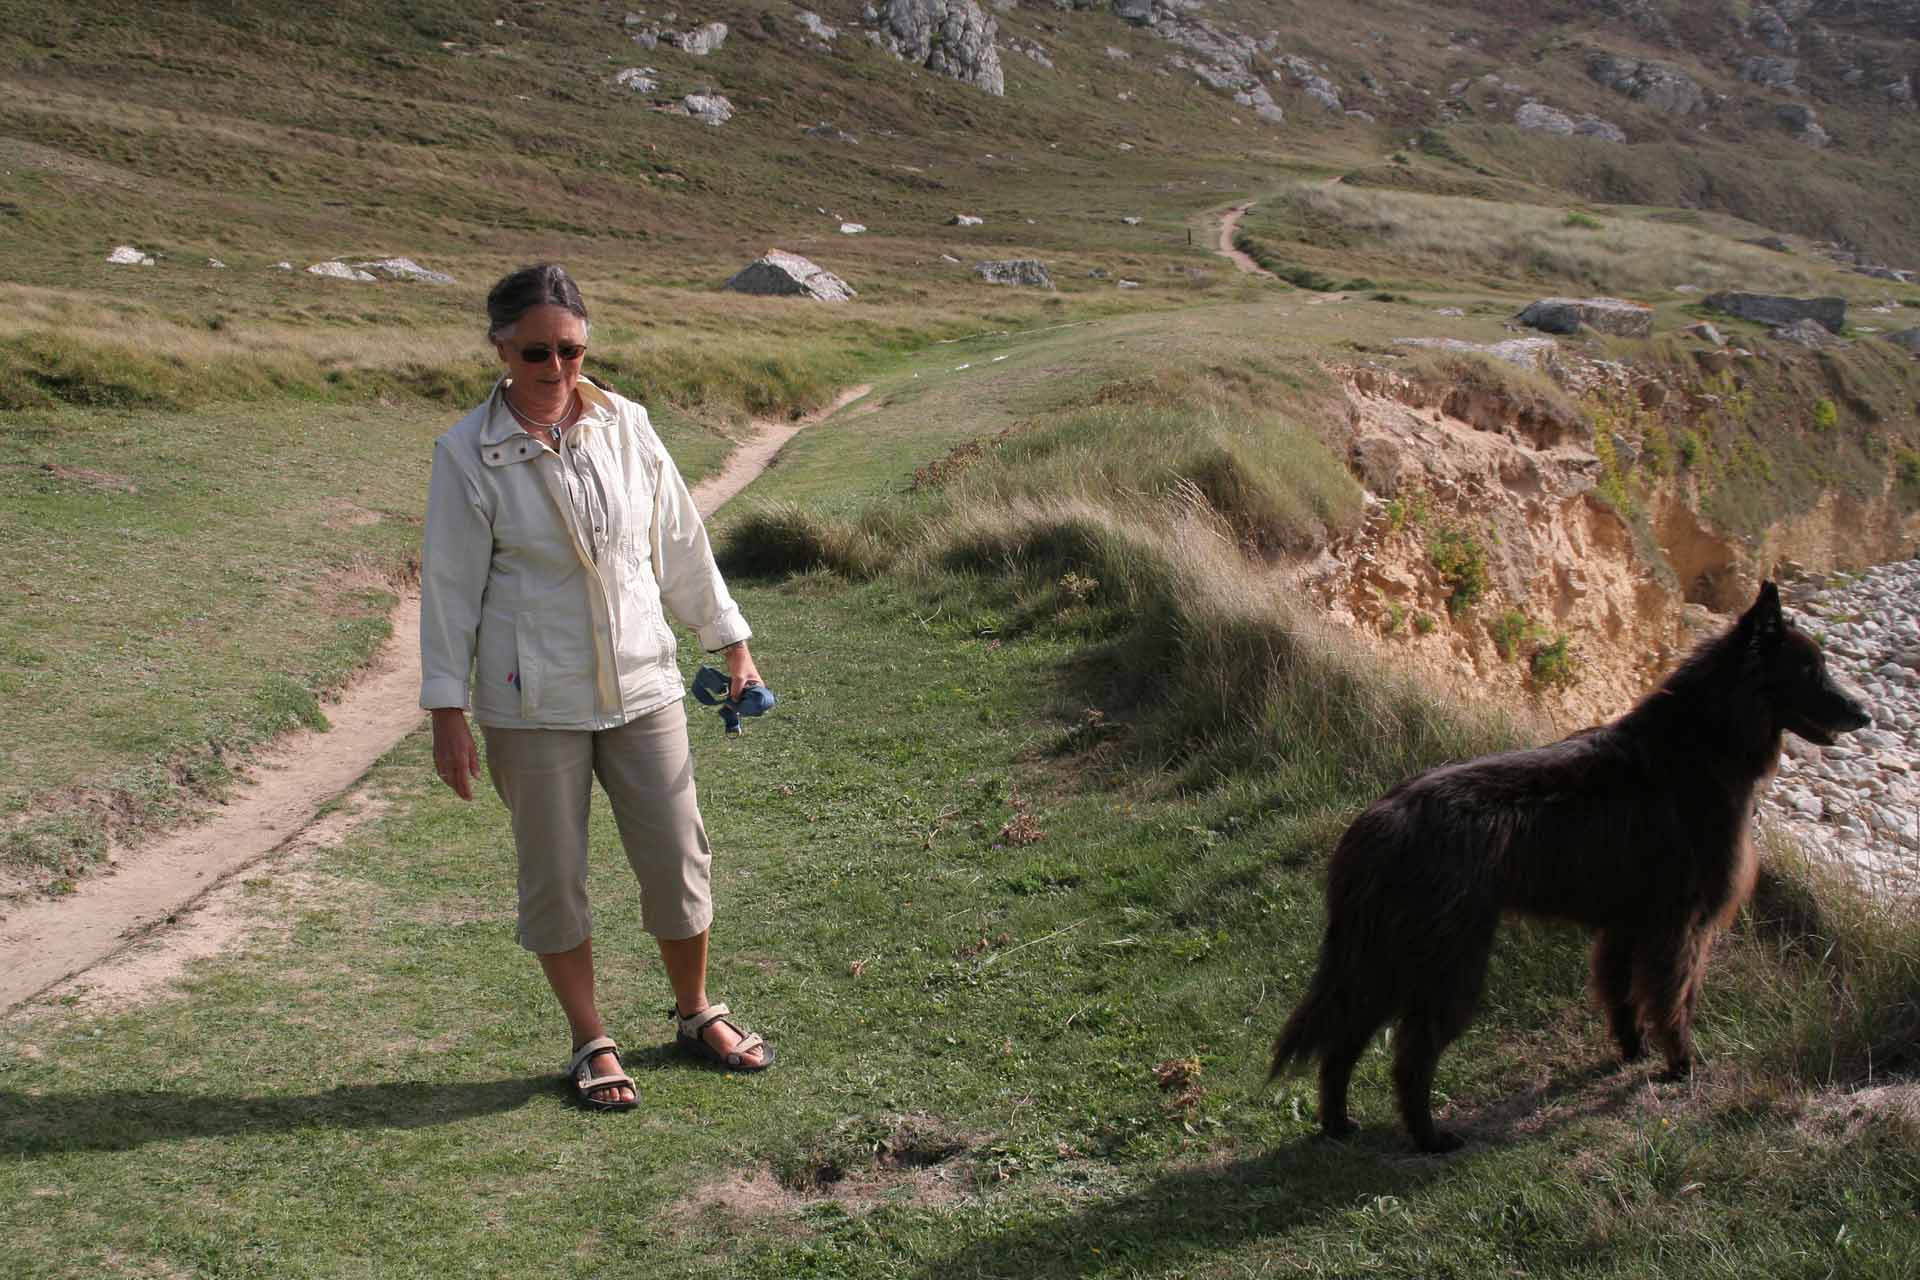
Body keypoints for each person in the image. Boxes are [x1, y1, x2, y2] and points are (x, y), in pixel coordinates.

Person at [420, 262, 773, 1111]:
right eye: (536, 353)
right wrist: (446, 712)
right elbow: (449, 588)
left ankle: (696, 1012)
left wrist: (732, 642)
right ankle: (591, 1039)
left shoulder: (628, 426)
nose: (556, 370)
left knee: (678, 857)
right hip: (530, 702)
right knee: (554, 875)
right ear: (501, 347)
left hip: (645, 684)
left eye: (571, 351)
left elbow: (681, 542)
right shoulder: (467, 452)